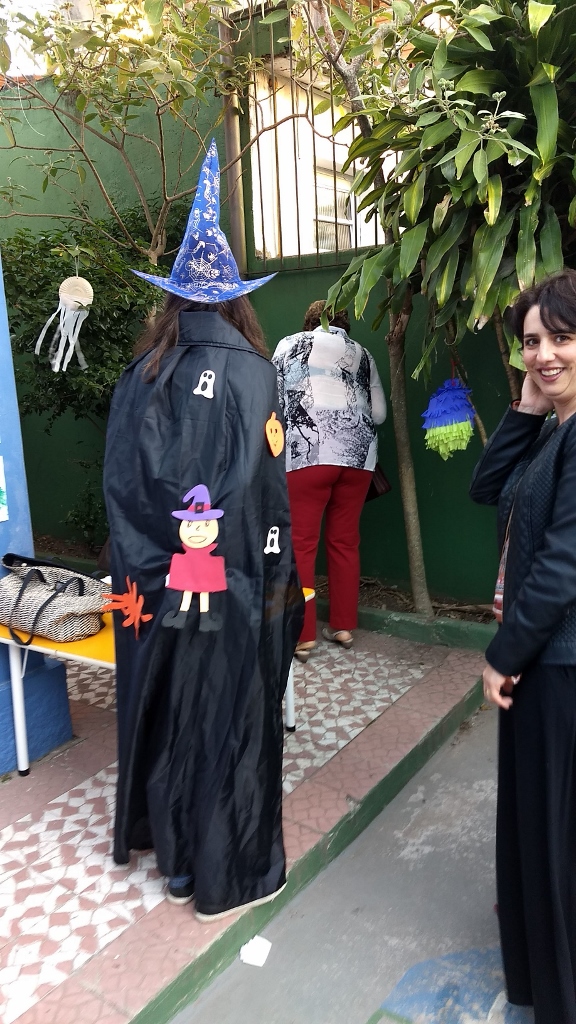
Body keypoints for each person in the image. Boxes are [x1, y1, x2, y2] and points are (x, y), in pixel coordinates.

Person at [103, 140, 303, 923]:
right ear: (237, 302)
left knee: (164, 706)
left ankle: (168, 851)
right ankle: (219, 870)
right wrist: (275, 594)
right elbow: (265, 504)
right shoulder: (255, 374)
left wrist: (148, 570)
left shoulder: (139, 376)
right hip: (234, 588)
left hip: (153, 586)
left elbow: (123, 490)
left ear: (172, 301)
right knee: (227, 723)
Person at [470, 269, 576, 1023]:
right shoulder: (554, 429)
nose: (543, 355)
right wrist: (529, 407)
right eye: (533, 342)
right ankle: (542, 977)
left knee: (555, 834)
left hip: (560, 663)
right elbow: (486, 488)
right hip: (543, 658)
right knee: (538, 827)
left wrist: (503, 655)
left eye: (562, 339)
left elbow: (564, 562)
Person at [272, 301, 386, 661]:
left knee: (301, 545)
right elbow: (379, 414)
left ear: (308, 322)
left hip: (307, 456)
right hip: (358, 459)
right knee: (345, 541)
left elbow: (273, 401)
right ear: (345, 325)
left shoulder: (289, 345)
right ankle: (343, 626)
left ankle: (302, 636)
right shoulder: (364, 354)